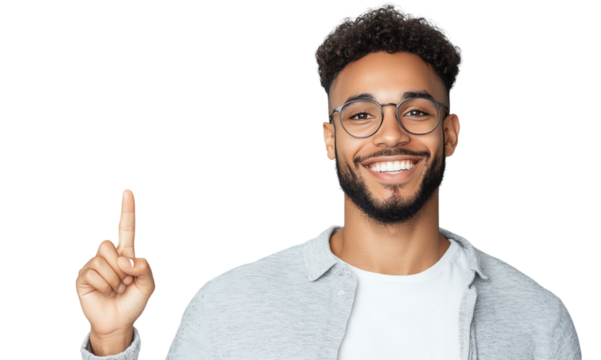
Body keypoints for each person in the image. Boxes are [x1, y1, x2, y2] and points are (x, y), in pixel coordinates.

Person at [77, 2, 582, 359]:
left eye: (416, 111)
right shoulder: (229, 305)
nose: (391, 135)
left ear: (451, 133)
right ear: (329, 138)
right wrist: (112, 341)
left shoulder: (538, 320)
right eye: (361, 115)